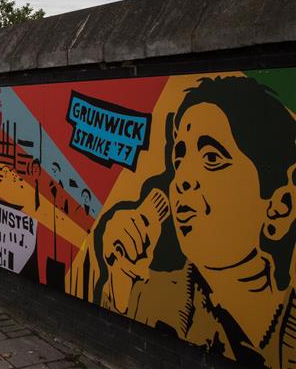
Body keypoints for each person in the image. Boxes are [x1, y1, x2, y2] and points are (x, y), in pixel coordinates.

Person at [95, 76, 296, 369]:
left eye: (212, 157)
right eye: (180, 158)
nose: (183, 179)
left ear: (279, 207)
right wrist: (120, 278)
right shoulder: (153, 297)